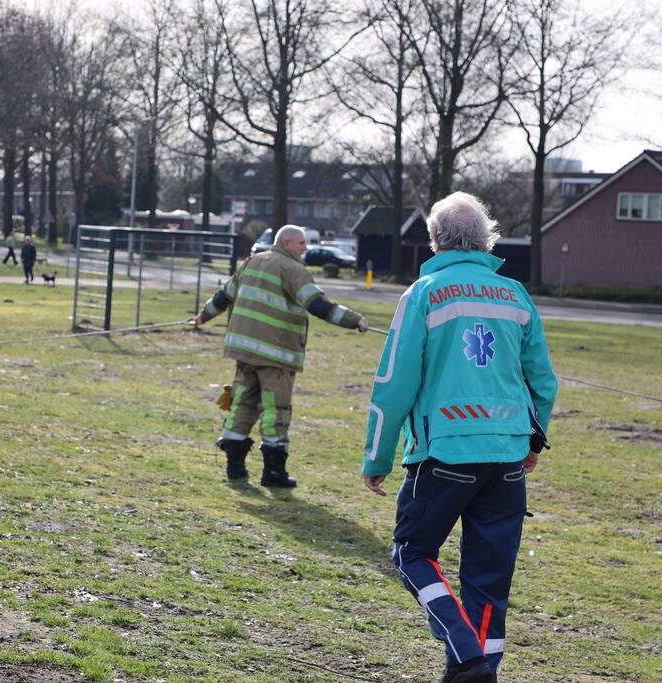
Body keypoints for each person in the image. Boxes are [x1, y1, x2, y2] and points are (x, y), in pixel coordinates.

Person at [361, 192, 558, 683]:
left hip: (444, 455)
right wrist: (532, 444)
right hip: (507, 458)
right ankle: (479, 671)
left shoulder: (424, 293)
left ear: (434, 241)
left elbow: (393, 386)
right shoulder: (515, 294)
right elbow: (544, 384)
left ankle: (466, 656)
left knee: (410, 553)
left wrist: (377, 457)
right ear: (487, 238)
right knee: (489, 583)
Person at [191, 225, 369, 487]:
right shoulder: (294, 270)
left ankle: (235, 467)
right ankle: (274, 472)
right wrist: (355, 321)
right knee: (277, 410)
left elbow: (223, 295)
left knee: (242, 404)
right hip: (275, 355)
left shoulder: (251, 262)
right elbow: (318, 305)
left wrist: (201, 317)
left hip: (244, 352)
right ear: (286, 243)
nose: (305, 248)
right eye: (300, 243)